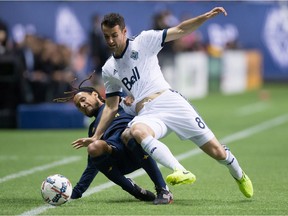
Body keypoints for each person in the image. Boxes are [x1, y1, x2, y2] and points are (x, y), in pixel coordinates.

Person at [72, 7, 253, 198]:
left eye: (114, 35)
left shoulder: (144, 41)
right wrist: (96, 136)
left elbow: (181, 30)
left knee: (217, 152)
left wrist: (205, 17)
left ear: (124, 32)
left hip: (170, 101)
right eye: (106, 36)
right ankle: (180, 170)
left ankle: (239, 175)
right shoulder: (109, 68)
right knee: (136, 131)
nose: (110, 41)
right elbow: (111, 106)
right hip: (147, 113)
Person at [55, 81, 173, 204]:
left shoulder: (119, 102)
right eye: (79, 105)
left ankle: (163, 190)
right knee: (93, 147)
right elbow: (92, 165)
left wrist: (134, 98)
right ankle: (135, 191)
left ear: (95, 94)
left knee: (129, 135)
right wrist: (76, 192)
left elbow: (145, 99)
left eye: (83, 99)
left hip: (136, 145)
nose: (83, 105)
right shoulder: (93, 129)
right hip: (119, 159)